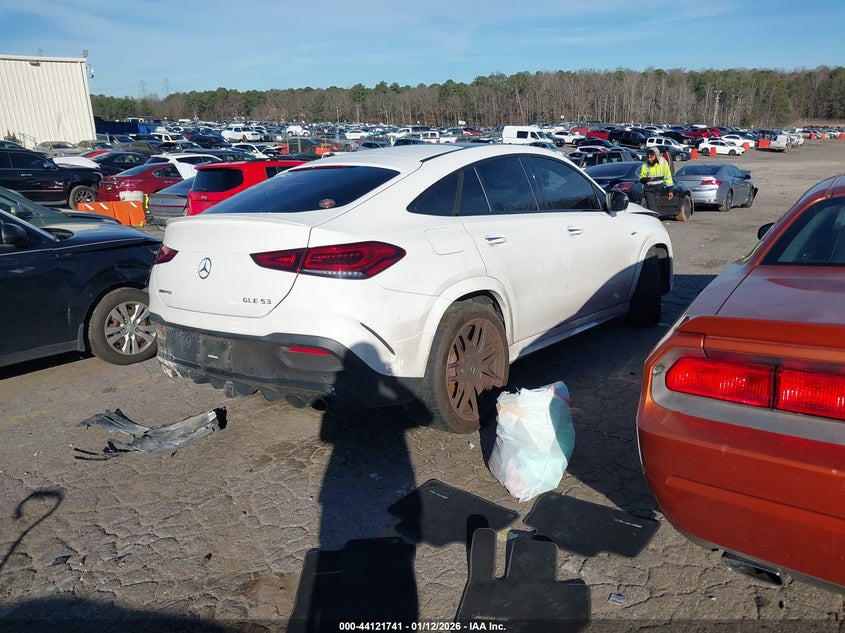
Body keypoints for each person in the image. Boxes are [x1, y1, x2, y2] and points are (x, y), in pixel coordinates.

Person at [638, 147, 673, 211]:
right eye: (648, 157)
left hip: (659, 190)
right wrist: (644, 179)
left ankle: (652, 219)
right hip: (648, 190)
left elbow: (668, 177)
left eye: (651, 157)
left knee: (655, 209)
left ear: (656, 156)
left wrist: (670, 190)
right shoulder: (645, 166)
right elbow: (641, 177)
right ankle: (655, 219)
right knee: (653, 209)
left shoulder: (664, 164)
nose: (649, 159)